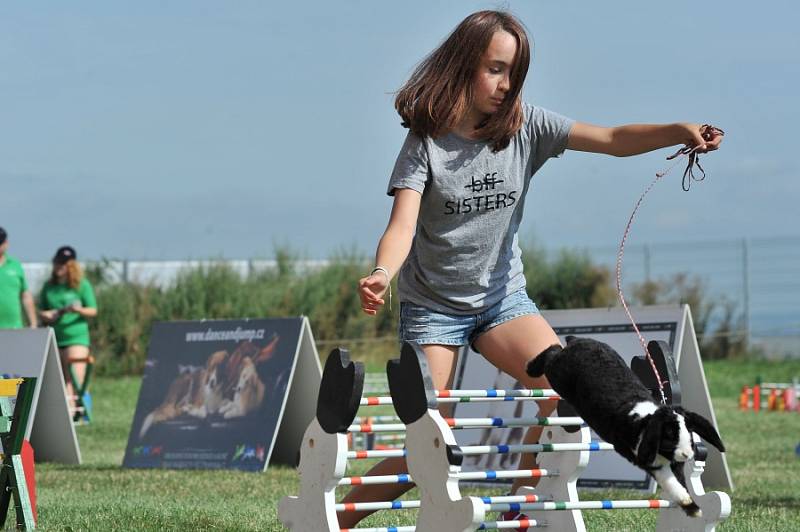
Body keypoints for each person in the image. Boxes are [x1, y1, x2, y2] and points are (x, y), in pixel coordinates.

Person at [347, 10, 724, 529]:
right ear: (462, 65)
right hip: (433, 308)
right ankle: (335, 518)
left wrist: (678, 130)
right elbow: (403, 224)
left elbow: (612, 138)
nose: (506, 85)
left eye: (515, 73)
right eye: (495, 69)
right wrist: (382, 275)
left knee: (564, 400)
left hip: (502, 301)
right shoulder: (427, 143)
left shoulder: (529, 126)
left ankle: (521, 511)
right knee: (429, 442)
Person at [38, 246, 98, 412]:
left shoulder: (82, 285)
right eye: (57, 263)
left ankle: (78, 412)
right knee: (62, 379)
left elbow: (93, 309)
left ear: (71, 266)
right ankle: (70, 413)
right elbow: (41, 311)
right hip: (55, 338)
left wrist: (78, 309)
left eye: (63, 264)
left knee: (75, 380)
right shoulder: (48, 286)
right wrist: (48, 315)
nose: (59, 266)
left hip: (76, 337)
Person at [0, 227, 38, 330]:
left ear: (6, 243)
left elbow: (25, 295)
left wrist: (33, 323)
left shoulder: (15, 265)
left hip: (14, 328)